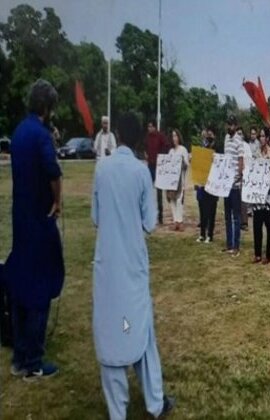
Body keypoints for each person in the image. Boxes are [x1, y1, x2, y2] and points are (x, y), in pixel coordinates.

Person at [91, 112, 175, 418]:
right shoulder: (141, 173)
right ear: (140, 137)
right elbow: (150, 222)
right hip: (133, 262)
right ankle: (155, 403)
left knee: (112, 327)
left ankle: (118, 412)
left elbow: (96, 218)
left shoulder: (102, 169)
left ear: (117, 135)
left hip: (108, 263)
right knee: (141, 329)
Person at [5, 79, 64, 381]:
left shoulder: (17, 132)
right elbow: (53, 171)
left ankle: (19, 356)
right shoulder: (41, 136)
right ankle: (34, 362)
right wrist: (57, 200)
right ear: (46, 107)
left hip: (20, 218)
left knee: (20, 282)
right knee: (41, 284)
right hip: (40, 219)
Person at [252, 127, 270, 264]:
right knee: (256, 225)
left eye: (263, 136)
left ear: (267, 138)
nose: (261, 138)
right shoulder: (255, 153)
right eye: (260, 136)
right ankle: (257, 253)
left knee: (269, 227)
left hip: (267, 197)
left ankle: (268, 254)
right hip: (257, 196)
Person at [222, 115, 244, 256]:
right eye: (228, 124)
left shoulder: (239, 141)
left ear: (236, 126)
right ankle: (229, 244)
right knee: (227, 216)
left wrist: (238, 176)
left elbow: (241, 160)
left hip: (234, 184)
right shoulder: (226, 138)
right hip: (225, 183)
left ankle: (236, 245)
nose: (229, 127)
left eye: (231, 125)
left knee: (236, 216)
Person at [195, 127, 221, 243]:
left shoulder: (218, 148)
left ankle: (210, 234)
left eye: (210, 135)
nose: (208, 137)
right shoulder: (203, 147)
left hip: (213, 182)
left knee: (211, 209)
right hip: (202, 182)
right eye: (207, 135)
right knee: (202, 208)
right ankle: (202, 233)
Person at [145, 120, 168, 225]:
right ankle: (149, 213)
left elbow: (166, 146)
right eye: (148, 127)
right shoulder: (147, 137)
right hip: (150, 165)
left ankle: (160, 216)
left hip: (158, 167)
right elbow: (144, 146)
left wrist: (161, 156)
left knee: (159, 192)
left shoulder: (160, 136)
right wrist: (145, 154)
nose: (149, 129)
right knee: (148, 190)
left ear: (154, 127)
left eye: (150, 126)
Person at [165, 129, 189, 231]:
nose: (174, 138)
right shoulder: (170, 151)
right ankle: (175, 221)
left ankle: (180, 220)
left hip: (180, 180)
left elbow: (186, 165)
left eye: (176, 136)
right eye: (172, 136)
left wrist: (181, 161)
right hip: (171, 180)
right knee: (172, 200)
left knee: (179, 200)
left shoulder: (183, 149)